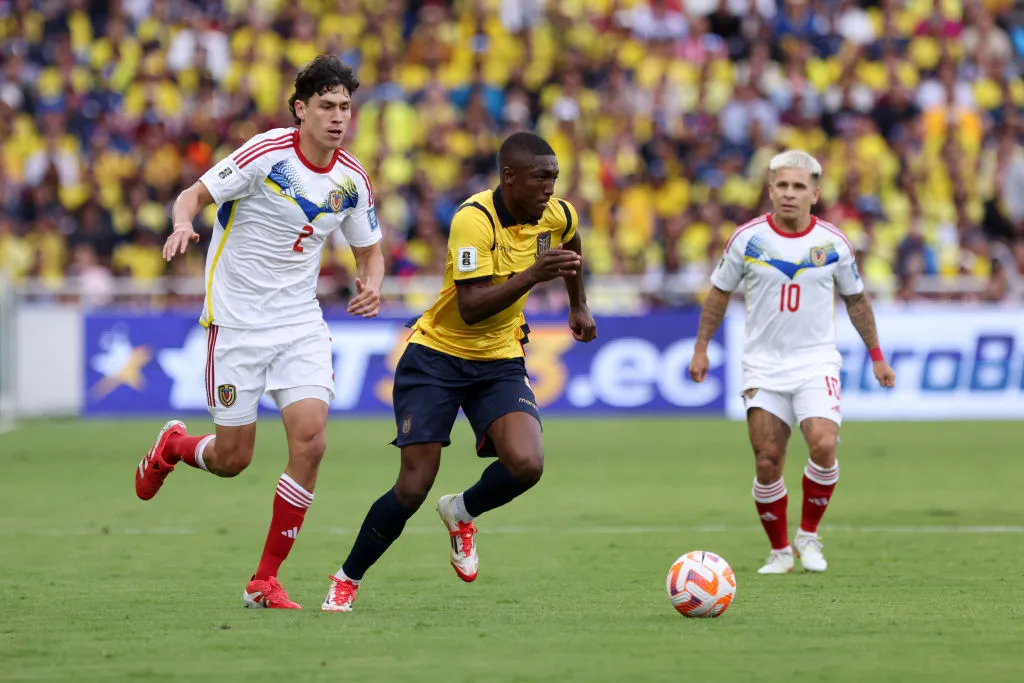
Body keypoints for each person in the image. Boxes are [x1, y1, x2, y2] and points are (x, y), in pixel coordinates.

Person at [133, 55, 385, 608]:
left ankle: (264, 579)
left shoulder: (352, 179)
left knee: (311, 442)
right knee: (233, 459)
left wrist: (371, 283)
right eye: (327, 106)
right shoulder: (265, 155)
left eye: (345, 107)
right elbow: (193, 195)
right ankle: (173, 446)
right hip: (237, 325)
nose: (338, 117)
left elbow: (369, 251)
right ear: (301, 109)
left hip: (299, 325)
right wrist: (182, 223)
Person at [320, 131, 598, 612]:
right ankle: (348, 578)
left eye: (553, 177)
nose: (549, 188)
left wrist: (579, 305)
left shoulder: (557, 213)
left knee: (527, 464)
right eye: (540, 178)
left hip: (499, 358)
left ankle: (461, 511)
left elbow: (571, 244)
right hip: (437, 357)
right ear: (509, 177)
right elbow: (471, 307)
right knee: (413, 486)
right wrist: (533, 274)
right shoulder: (474, 219)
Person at [689, 150, 896, 574]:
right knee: (767, 461)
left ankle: (809, 536)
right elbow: (719, 293)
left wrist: (877, 357)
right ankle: (780, 551)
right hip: (763, 365)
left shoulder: (833, 244)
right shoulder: (746, 240)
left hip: (816, 361)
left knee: (823, 443)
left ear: (814, 194)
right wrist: (701, 347)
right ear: (770, 190)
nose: (789, 193)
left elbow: (856, 300)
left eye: (798, 186)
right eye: (782, 185)